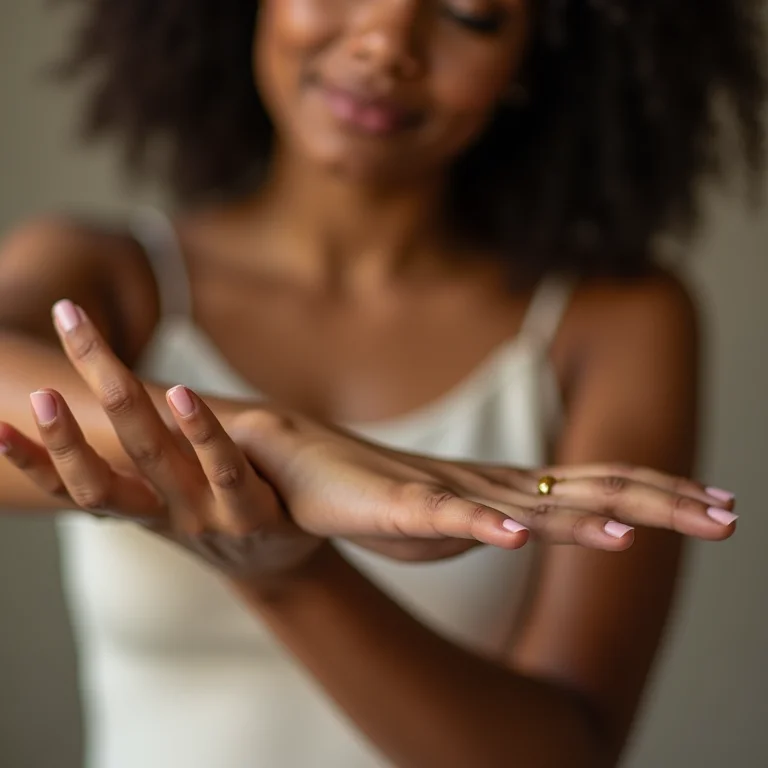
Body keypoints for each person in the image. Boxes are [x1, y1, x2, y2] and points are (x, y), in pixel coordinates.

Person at [0, 1, 762, 766]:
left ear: (537, 56)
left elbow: (566, 756)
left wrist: (292, 575)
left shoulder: (611, 320)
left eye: (470, 12)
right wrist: (279, 444)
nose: (386, 43)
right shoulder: (112, 277)